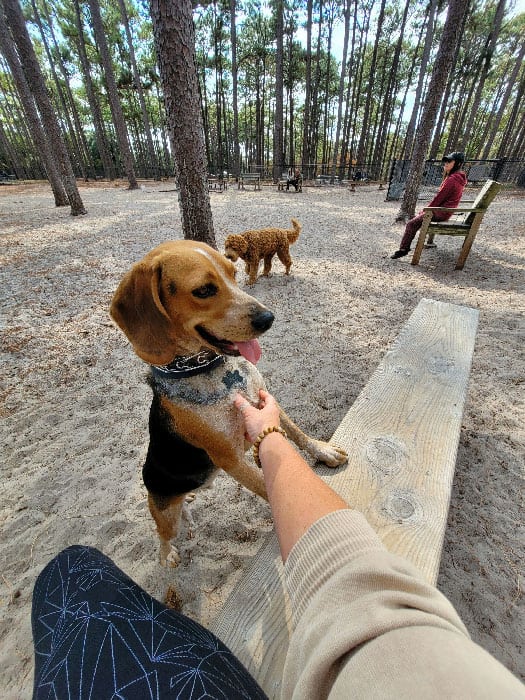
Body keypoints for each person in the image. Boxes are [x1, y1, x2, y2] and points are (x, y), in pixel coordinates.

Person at [32, 390, 525, 699]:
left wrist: (290, 441)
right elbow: (234, 457)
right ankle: (166, 547)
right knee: (166, 529)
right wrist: (274, 443)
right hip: (172, 482)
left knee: (72, 567)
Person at [391, 151, 467, 259]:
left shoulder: (452, 180)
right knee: (416, 220)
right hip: (445, 211)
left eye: (449, 161)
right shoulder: (458, 177)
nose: (446, 163)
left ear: (458, 164)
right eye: (446, 160)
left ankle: (403, 249)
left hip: (441, 212)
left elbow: (438, 199)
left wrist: (425, 210)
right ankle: (404, 248)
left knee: (411, 224)